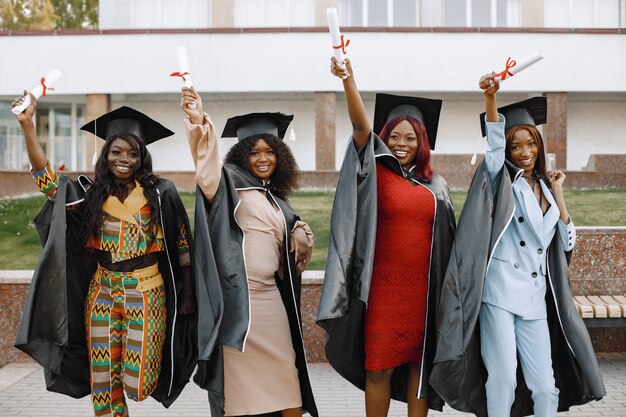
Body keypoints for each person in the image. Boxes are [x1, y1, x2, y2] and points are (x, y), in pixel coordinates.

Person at [429, 73, 606, 416]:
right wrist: (491, 98)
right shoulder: (501, 180)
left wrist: (559, 195)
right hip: (499, 295)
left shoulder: (545, 186)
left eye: (531, 144)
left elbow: (566, 242)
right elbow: (493, 147)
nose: (525, 152)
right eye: (516, 145)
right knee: (504, 379)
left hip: (535, 298)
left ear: (539, 146)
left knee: (544, 385)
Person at [13, 93, 198, 417]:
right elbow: (46, 181)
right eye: (116, 151)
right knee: (103, 384)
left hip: (146, 293)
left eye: (132, 152)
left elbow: (182, 246)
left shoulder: (161, 192)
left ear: (142, 156)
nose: (123, 158)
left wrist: (187, 294)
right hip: (101, 293)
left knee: (136, 385)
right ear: (105, 154)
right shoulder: (89, 193)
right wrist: (28, 124)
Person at [316, 58, 456, 417]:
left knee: (417, 368)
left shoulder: (436, 186)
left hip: (423, 293)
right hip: (382, 290)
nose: (400, 143)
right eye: (393, 136)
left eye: (410, 137)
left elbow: (449, 243)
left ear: (421, 142)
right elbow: (360, 126)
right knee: (378, 367)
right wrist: (349, 80)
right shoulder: (376, 171)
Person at [181, 86, 319, 417]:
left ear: (279, 157)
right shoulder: (226, 183)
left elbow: (289, 229)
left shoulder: (277, 200)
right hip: (237, 305)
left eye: (269, 152)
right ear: (242, 155)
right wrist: (198, 121)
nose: (262, 158)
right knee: (239, 395)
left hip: (270, 301)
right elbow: (206, 167)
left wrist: (301, 229)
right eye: (254, 152)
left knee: (288, 379)